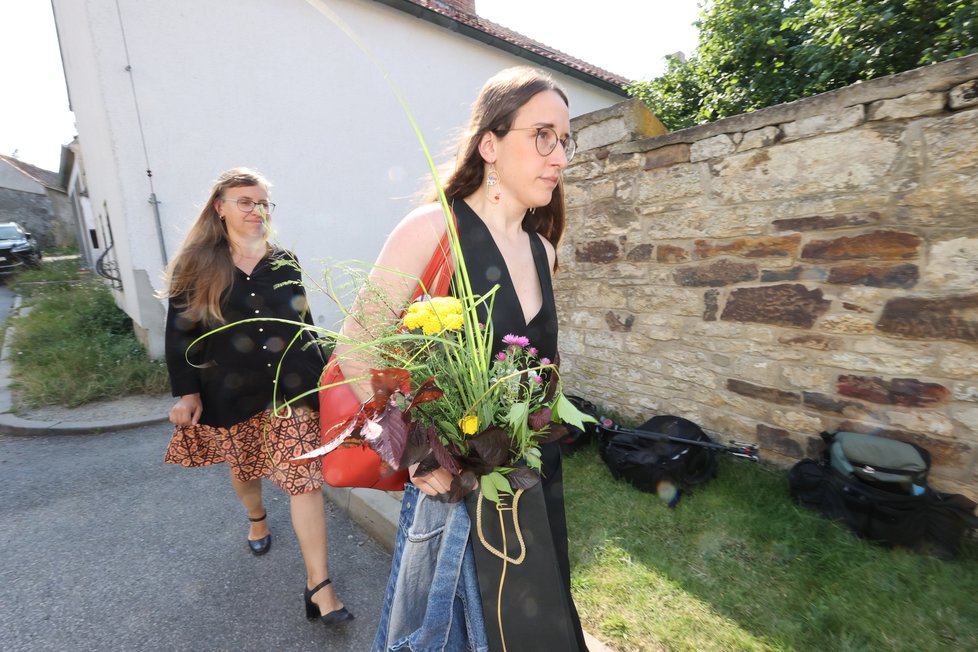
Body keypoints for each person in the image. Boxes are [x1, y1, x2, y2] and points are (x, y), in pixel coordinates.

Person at [335, 67, 587, 651]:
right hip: (452, 495)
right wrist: (419, 455)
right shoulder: (431, 230)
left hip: (532, 482)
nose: (560, 157)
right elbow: (356, 345)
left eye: (565, 140)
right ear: (490, 144)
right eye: (542, 136)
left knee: (537, 630)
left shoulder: (543, 251)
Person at [161, 167, 353, 628]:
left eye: (264, 202)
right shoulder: (197, 265)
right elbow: (179, 333)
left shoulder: (285, 261)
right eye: (245, 201)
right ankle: (257, 516)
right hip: (231, 392)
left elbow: (302, 326)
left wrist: (334, 371)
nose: (257, 209)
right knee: (245, 469)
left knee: (303, 481)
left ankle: (319, 587)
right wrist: (187, 392)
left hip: (290, 391)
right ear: (219, 207)